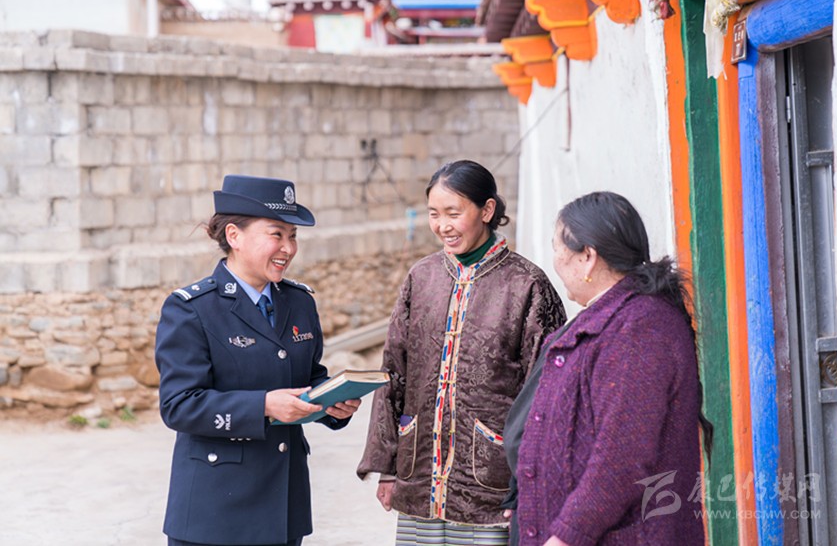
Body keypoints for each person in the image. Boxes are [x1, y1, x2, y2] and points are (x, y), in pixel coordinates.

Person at [357, 159, 566, 545]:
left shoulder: (527, 285)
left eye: (453, 213)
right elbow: (393, 372)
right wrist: (387, 466)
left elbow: (548, 393)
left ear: (487, 210)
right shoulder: (421, 278)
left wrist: (532, 480)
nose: (443, 226)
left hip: (491, 481)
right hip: (419, 472)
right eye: (434, 214)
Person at [155, 174, 361, 546]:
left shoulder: (299, 302)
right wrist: (264, 405)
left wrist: (333, 403)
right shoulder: (192, 309)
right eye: (276, 234)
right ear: (234, 235)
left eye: (293, 236)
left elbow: (309, 376)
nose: (288, 248)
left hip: (283, 506)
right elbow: (179, 406)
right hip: (215, 512)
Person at [515, 191, 713, 546]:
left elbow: (621, 459)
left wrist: (566, 536)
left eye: (557, 248)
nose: (555, 260)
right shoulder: (611, 320)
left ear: (587, 257)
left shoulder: (640, 328)